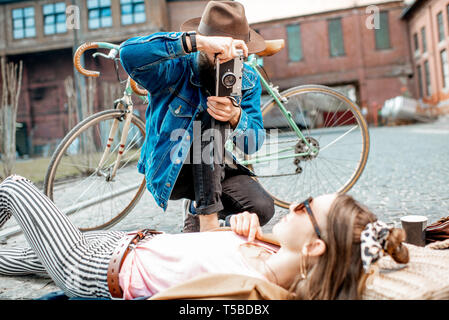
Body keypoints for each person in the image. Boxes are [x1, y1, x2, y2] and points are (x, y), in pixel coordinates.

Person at [0, 175, 409, 300]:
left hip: (93, 268)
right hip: (125, 243)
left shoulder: (252, 291)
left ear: (315, 246)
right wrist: (243, 230)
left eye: (305, 206)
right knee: (11, 258)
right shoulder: (270, 254)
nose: (294, 206)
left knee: (16, 187)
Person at [119, 1, 274, 233]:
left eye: (236, 53)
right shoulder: (175, 67)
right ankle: (209, 220)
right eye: (221, 51)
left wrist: (235, 116)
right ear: (206, 44)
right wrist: (197, 41)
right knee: (209, 118)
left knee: (262, 207)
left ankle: (198, 211)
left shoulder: (248, 78)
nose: (228, 60)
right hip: (173, 166)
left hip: (215, 165)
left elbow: (253, 144)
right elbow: (128, 53)